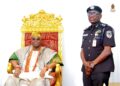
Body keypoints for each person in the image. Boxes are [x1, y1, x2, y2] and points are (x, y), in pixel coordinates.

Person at [80, 5, 115, 86]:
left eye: (93, 13)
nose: (91, 15)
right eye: (89, 13)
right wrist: (85, 63)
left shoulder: (106, 29)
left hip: (101, 69)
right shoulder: (86, 31)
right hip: (86, 69)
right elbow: (82, 50)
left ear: (100, 15)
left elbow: (107, 51)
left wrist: (92, 64)